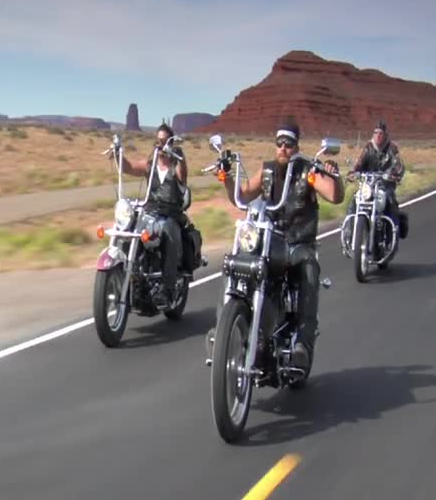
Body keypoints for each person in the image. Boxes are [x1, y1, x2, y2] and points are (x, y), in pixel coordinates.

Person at [214, 119, 344, 370]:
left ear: (297, 146)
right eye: (280, 143)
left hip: (298, 243)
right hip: (269, 238)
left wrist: (334, 177)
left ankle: (302, 346)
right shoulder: (267, 171)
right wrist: (227, 177)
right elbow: (241, 197)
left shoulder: (309, 172)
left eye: (289, 143)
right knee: (234, 263)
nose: (283, 148)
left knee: (309, 271)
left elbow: (335, 196)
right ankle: (222, 329)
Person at [113, 122, 187, 306]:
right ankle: (128, 273)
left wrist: (180, 156)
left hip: (171, 214)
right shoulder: (149, 165)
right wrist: (117, 152)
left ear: (171, 143)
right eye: (158, 141)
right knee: (127, 227)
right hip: (151, 212)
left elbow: (183, 175)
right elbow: (128, 167)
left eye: (164, 141)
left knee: (168, 231)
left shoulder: (176, 165)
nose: (160, 145)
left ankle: (168, 290)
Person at [344, 119, 407, 242]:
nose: (378, 136)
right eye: (375, 132)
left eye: (380, 133)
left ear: (385, 135)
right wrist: (353, 172)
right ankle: (349, 233)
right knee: (354, 200)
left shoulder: (392, 148)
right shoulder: (368, 147)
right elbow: (359, 162)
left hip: (385, 185)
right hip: (369, 185)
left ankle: (391, 236)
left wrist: (395, 174)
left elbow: (399, 164)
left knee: (390, 201)